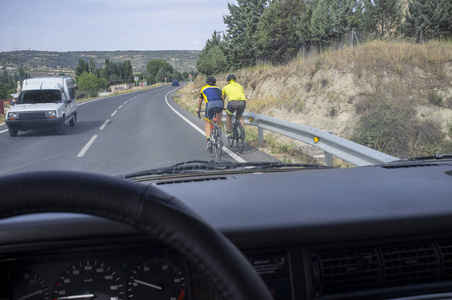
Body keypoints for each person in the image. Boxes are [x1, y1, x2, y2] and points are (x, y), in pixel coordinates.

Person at [197, 76, 224, 151]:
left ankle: (208, 140)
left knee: (208, 123)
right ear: (215, 83)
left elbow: (200, 101)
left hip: (210, 105)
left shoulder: (204, 88)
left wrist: (198, 109)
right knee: (218, 118)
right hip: (220, 104)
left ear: (206, 83)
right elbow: (221, 98)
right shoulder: (218, 88)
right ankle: (218, 134)